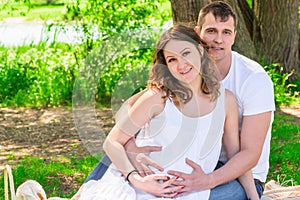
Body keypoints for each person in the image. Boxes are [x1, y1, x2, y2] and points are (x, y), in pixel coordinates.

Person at [72, 1, 275, 200]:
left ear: (199, 51)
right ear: (199, 36)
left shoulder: (240, 88)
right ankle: (89, 190)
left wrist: (229, 189)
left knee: (231, 193)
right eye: (172, 60)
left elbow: (241, 153)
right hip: (153, 179)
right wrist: (133, 159)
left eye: (226, 32)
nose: (218, 40)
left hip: (210, 176)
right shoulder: (161, 94)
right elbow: (120, 126)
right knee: (120, 154)